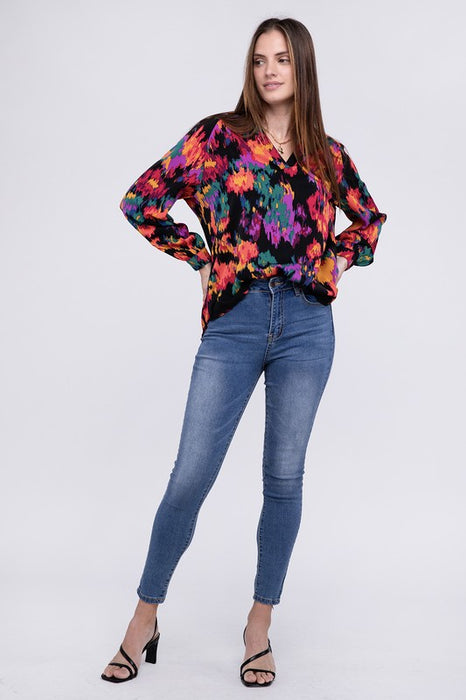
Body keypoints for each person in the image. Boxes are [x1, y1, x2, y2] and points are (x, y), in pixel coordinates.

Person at [101, 16, 387, 688]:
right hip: (234, 321)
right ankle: (144, 618)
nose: (269, 71)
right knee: (190, 476)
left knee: (283, 478)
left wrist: (339, 261)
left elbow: (369, 220)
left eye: (282, 59)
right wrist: (199, 257)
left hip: (307, 325)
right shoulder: (217, 139)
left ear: (302, 67)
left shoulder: (327, 153)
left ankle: (259, 624)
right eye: (260, 60)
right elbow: (141, 200)